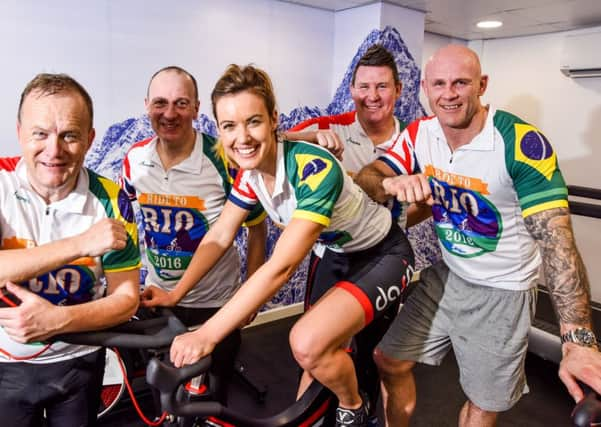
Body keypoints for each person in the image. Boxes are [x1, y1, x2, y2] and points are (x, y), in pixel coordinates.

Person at [152, 63, 414, 427]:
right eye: (229, 126)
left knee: (308, 344)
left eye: (253, 122)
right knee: (312, 366)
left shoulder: (313, 168)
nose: (241, 137)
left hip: (382, 254)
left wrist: (209, 333)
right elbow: (219, 235)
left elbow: (282, 266)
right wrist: (175, 293)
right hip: (336, 254)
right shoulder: (249, 174)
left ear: (273, 119)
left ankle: (353, 405)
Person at [356, 44, 601, 427]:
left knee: (481, 403)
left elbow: (558, 243)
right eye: (439, 83)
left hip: (504, 290)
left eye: (460, 83)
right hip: (448, 276)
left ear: (482, 85)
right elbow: (366, 178)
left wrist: (578, 339)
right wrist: (392, 182)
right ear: (425, 87)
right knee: (388, 359)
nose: (449, 94)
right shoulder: (421, 133)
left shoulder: (519, 143)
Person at [285, 44, 429, 421]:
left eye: (382, 87)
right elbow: (271, 139)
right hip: (332, 258)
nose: (372, 96)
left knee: (378, 356)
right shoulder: (332, 129)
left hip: (382, 257)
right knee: (316, 350)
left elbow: (429, 201)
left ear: (398, 90)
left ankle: (361, 413)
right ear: (351, 90)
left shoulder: (412, 139)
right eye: (363, 86)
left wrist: (394, 225)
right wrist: (312, 139)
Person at [0, 73, 141, 426]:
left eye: (69, 135)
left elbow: (127, 298)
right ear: (20, 133)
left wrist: (58, 320)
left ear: (90, 139)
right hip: (6, 365)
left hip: (78, 364)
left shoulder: (110, 198)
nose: (54, 150)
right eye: (40, 133)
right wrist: (80, 244)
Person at [120, 66, 266, 404]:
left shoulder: (223, 160)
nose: (169, 114)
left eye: (181, 103)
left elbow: (257, 226)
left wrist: (252, 290)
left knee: (212, 398)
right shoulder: (134, 160)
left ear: (197, 108)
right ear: (146, 105)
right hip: (159, 299)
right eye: (160, 103)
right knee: (166, 393)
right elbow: (125, 220)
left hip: (215, 303)